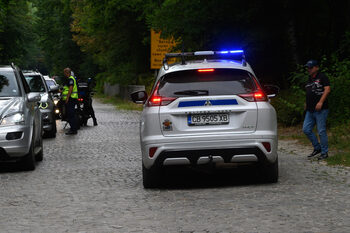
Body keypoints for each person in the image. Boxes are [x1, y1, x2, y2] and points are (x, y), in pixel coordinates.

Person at [303, 60, 331, 160]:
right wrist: (306, 103)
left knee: (321, 131)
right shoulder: (309, 79)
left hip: (321, 109)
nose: (308, 69)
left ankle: (324, 152)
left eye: (310, 67)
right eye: (308, 67)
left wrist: (321, 102)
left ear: (316, 67)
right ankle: (317, 148)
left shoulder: (322, 77)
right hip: (310, 110)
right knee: (306, 129)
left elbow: (327, 89)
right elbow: (308, 92)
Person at [62, 68, 79, 135]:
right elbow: (67, 88)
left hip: (71, 98)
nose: (64, 74)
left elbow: (71, 89)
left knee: (71, 115)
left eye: (64, 73)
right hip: (72, 98)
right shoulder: (71, 79)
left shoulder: (70, 79)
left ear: (67, 73)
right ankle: (73, 129)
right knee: (71, 114)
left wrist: (67, 98)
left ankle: (73, 129)